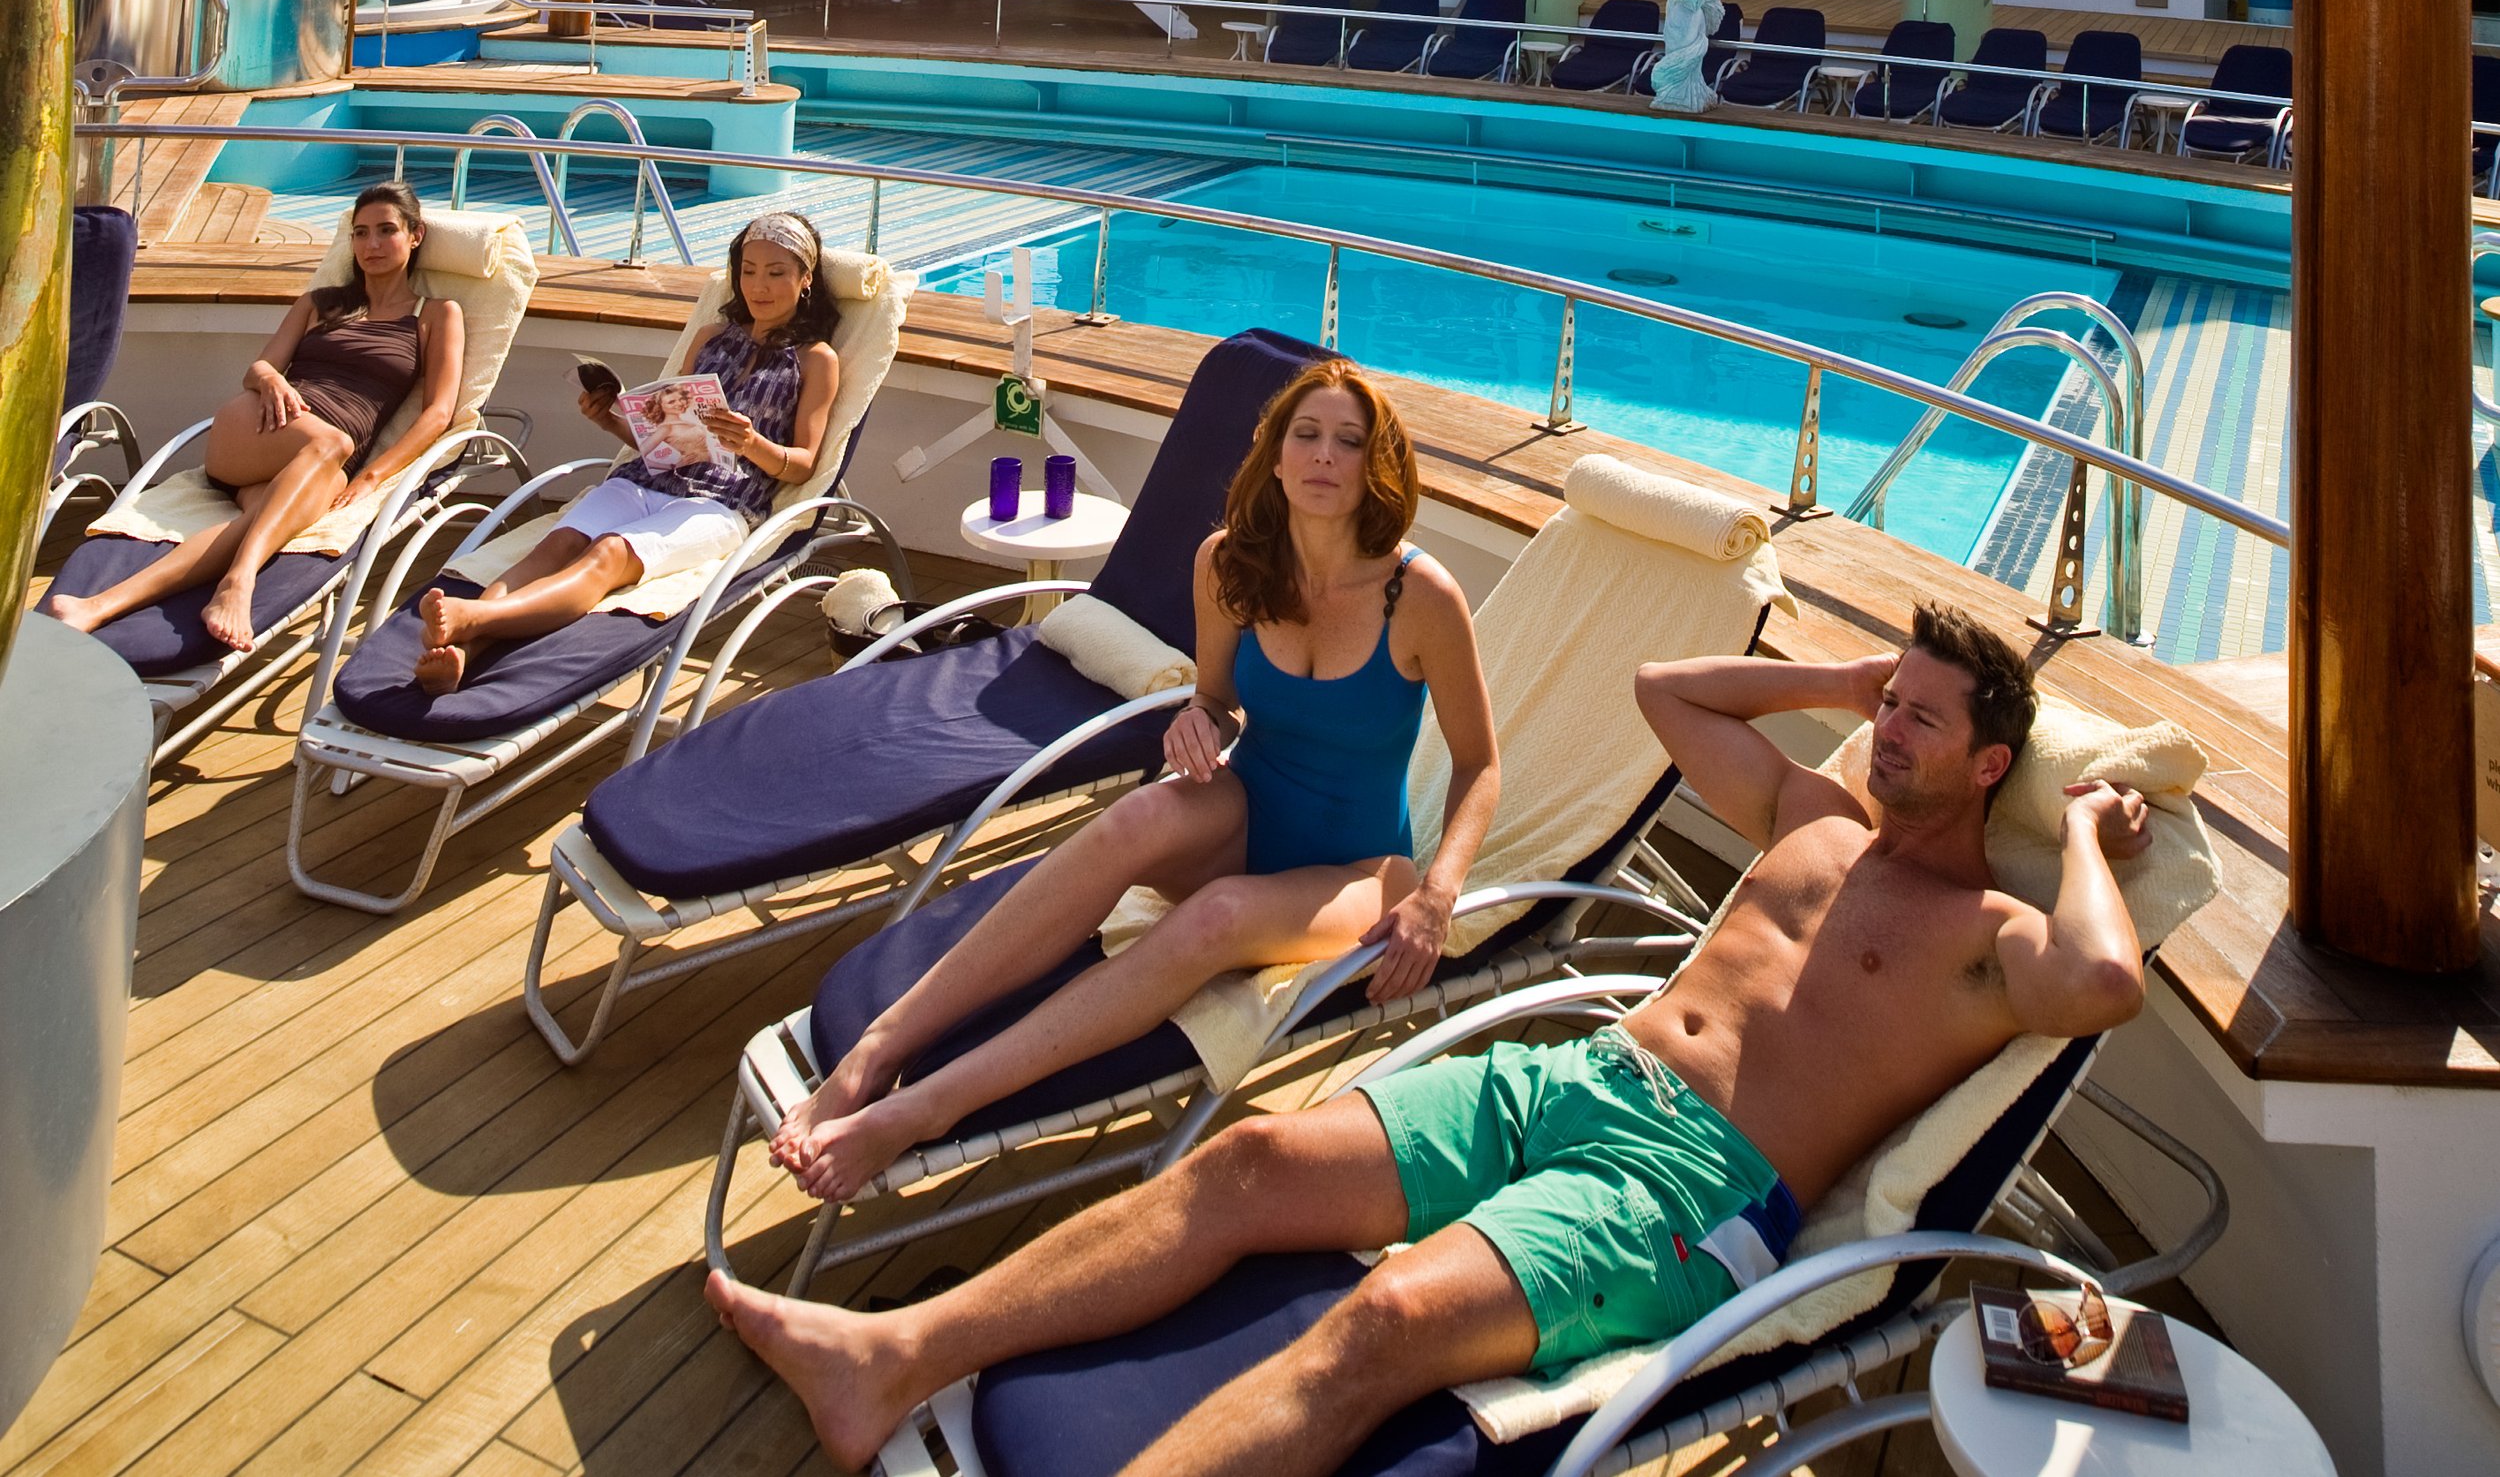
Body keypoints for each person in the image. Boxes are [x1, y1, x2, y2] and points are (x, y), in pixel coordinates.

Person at [711, 603, 2149, 1477]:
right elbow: (1666, 692)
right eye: (1888, 708)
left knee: (1385, 1325)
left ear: (1991, 765)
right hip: (1583, 1072)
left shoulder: (1988, 933)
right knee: (1251, 1161)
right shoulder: (1816, 814)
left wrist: (2083, 828)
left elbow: (2101, 978)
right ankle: (893, 1353)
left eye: (1921, 720)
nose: (1889, 732)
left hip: (1687, 1192)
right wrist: (1844, 687)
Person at [765, 356, 1498, 1218]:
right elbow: (1217, 703)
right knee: (1136, 816)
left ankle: (926, 1106)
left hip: (1360, 869)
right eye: (1307, 434)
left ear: (1380, 466)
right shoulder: (1230, 562)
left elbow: (1480, 763)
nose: (1324, 457)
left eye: (1349, 441)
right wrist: (1199, 722)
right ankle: (876, 1050)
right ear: (1275, 451)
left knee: (1218, 914)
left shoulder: (1418, 596)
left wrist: (1439, 895)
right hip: (1252, 806)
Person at [406, 212, 840, 693]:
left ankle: (475, 618)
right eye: (749, 270)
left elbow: (805, 464)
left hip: (721, 504)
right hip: (645, 480)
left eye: (776, 273)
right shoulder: (712, 338)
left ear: (804, 280)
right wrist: (610, 419)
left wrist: (752, 444)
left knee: (608, 552)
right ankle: (464, 650)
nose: (759, 285)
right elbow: (668, 439)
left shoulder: (815, 359)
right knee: (558, 546)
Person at [47, 183, 464, 657]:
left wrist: (372, 478)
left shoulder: (436, 314)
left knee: (252, 523)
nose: (371, 245)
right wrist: (271, 381)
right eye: (360, 232)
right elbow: (260, 367)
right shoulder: (320, 303)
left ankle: (93, 607)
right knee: (332, 445)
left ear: (415, 235)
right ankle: (238, 584)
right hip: (257, 430)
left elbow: (439, 413)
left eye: (386, 231)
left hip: (321, 460)